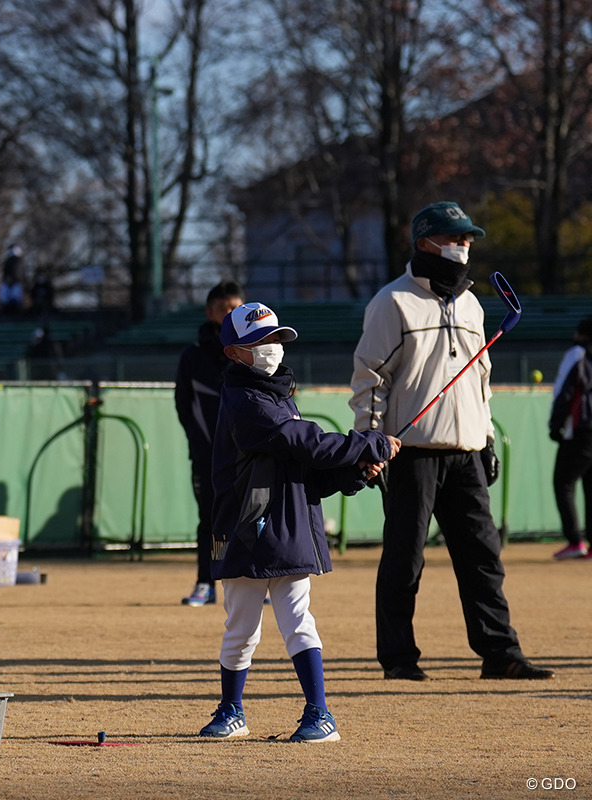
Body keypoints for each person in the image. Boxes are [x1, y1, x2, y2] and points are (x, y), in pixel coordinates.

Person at [350, 200, 555, 681]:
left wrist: (485, 436)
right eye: (455, 237)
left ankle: (500, 653)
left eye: (467, 239)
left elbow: (481, 375)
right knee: (405, 561)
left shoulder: (471, 303)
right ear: (425, 242)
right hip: (411, 455)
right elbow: (369, 380)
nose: (464, 246)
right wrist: (369, 444)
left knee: (484, 558)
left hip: (466, 452)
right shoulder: (391, 302)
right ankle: (399, 659)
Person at [199, 302, 399, 743]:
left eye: (275, 339)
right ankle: (232, 710)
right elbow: (301, 441)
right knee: (240, 629)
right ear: (234, 353)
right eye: (259, 341)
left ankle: (319, 714)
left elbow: (301, 472)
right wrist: (369, 444)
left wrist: (352, 472)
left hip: (285, 530)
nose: (272, 348)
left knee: (297, 620)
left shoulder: (279, 397)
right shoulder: (243, 400)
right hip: (243, 530)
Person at [174, 280, 244, 606]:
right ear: (210, 313)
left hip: (247, 456)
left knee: (250, 517)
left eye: (236, 307)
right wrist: (202, 443)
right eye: (223, 309)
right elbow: (183, 406)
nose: (230, 314)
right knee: (212, 522)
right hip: (207, 458)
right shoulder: (193, 357)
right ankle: (208, 580)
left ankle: (249, 582)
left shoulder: (251, 353)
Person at [548, 316, 592, 559]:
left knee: (563, 483)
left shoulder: (577, 353)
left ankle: (575, 541)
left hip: (581, 429)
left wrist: (556, 425)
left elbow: (565, 390)